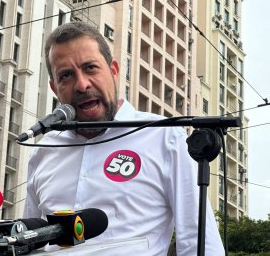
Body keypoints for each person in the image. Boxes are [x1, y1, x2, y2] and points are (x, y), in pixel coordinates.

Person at [23, 21, 225, 255]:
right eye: (66, 75)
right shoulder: (44, 150)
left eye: (90, 68)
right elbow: (29, 240)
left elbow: (200, 242)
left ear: (114, 71)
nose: (82, 84)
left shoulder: (163, 136)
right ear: (55, 88)